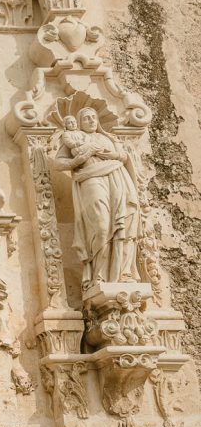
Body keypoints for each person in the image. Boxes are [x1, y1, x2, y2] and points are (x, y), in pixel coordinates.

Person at [50, 106, 142, 289]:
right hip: (91, 179)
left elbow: (123, 156)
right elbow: (58, 162)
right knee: (101, 226)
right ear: (78, 123)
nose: (91, 120)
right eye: (86, 118)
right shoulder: (77, 139)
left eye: (94, 117)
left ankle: (123, 274)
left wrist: (109, 154)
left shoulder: (107, 137)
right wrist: (78, 160)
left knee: (124, 223)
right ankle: (98, 275)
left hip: (117, 177)